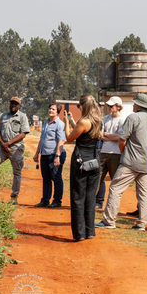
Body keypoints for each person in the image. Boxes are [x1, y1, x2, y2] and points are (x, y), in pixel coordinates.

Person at [95, 94, 147, 231]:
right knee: (143, 193)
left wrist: (124, 155)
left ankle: (109, 220)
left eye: (135, 103)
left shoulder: (133, 118)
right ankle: (142, 224)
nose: (133, 105)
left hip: (131, 161)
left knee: (115, 188)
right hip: (146, 162)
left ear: (139, 105)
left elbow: (122, 140)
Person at [65, 94, 102, 242]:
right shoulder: (99, 121)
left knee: (77, 198)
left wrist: (67, 123)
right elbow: (83, 134)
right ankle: (89, 231)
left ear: (82, 106)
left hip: (81, 163)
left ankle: (79, 234)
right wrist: (74, 121)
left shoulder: (84, 121)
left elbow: (69, 138)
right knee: (90, 197)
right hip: (94, 162)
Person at [0, 97, 30, 204]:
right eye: (12, 103)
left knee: (17, 172)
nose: (13, 105)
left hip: (16, 149)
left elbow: (23, 134)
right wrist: (3, 144)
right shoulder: (4, 116)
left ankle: (14, 197)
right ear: (9, 104)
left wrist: (8, 143)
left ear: (19, 106)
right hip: (2, 148)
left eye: (16, 104)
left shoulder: (22, 117)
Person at [94, 96, 128, 210]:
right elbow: (100, 135)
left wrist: (107, 135)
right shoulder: (105, 118)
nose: (109, 107)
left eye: (111, 106)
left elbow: (120, 137)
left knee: (115, 182)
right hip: (103, 152)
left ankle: (112, 207)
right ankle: (93, 203)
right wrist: (110, 137)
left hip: (116, 153)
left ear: (118, 107)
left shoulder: (123, 120)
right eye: (108, 105)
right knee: (97, 177)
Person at [33, 102, 67, 208]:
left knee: (56, 177)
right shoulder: (46, 123)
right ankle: (45, 200)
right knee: (46, 178)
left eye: (53, 109)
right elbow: (41, 139)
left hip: (55, 154)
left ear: (58, 111)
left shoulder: (60, 124)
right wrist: (37, 153)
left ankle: (57, 201)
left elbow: (61, 141)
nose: (50, 111)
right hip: (45, 155)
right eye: (50, 109)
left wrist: (57, 157)